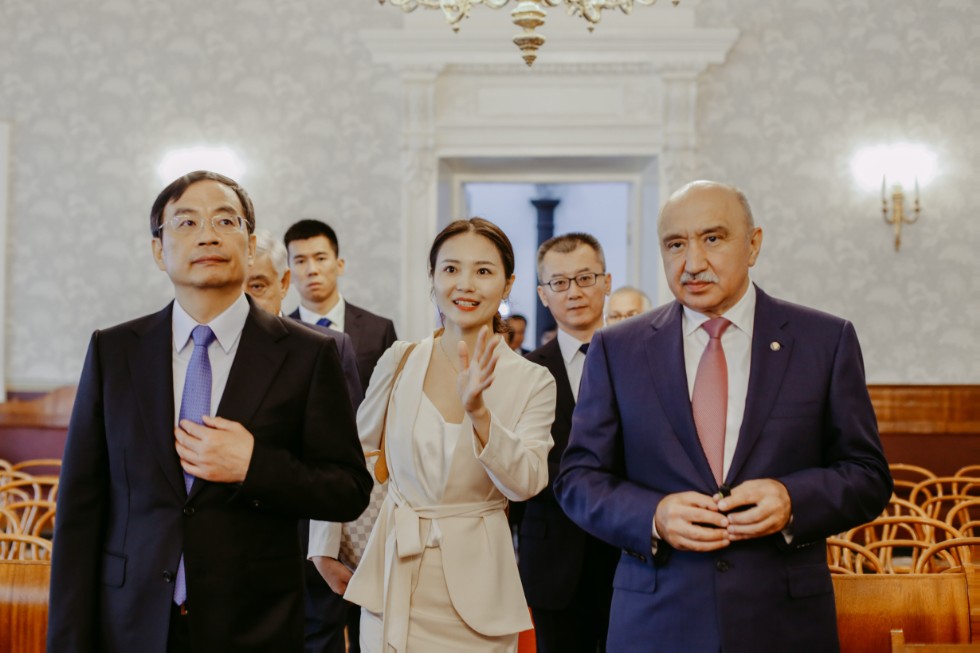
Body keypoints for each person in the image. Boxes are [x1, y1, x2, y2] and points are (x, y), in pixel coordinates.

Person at [555, 180, 892, 652]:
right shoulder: (617, 349)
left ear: (753, 244)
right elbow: (578, 479)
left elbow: (867, 475)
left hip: (783, 623)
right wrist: (653, 516)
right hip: (657, 621)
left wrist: (792, 499)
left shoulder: (824, 340)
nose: (693, 262)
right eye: (676, 245)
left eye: (712, 238)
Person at [47, 170, 373, 653]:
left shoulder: (308, 355)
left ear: (250, 244)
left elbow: (348, 490)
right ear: (159, 251)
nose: (207, 235)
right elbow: (79, 511)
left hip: (254, 625)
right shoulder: (114, 352)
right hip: (131, 622)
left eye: (225, 220)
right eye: (186, 222)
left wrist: (254, 466)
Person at [310, 217, 557, 652]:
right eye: (451, 269)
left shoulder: (533, 380)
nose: (465, 284)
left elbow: (526, 483)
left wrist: (479, 413)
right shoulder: (401, 360)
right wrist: (323, 545)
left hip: (480, 588)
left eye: (483, 270)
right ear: (433, 277)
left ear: (507, 284)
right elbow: (352, 458)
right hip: (394, 575)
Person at [245, 228, 364, 653]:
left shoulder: (326, 348)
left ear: (282, 284)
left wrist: (326, 547)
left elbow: (348, 460)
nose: (245, 300)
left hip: (308, 541)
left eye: (257, 286)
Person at [514, 233, 619, 653]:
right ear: (543, 294)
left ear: (606, 282)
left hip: (628, 552)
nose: (573, 292)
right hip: (553, 556)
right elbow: (521, 462)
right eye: (559, 283)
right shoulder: (524, 373)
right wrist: (587, 484)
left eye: (585, 278)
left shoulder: (641, 358)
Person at [284, 219, 397, 392]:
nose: (312, 270)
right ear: (289, 273)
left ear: (339, 265)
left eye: (320, 258)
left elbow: (394, 395)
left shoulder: (379, 331)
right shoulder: (281, 333)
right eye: (300, 261)